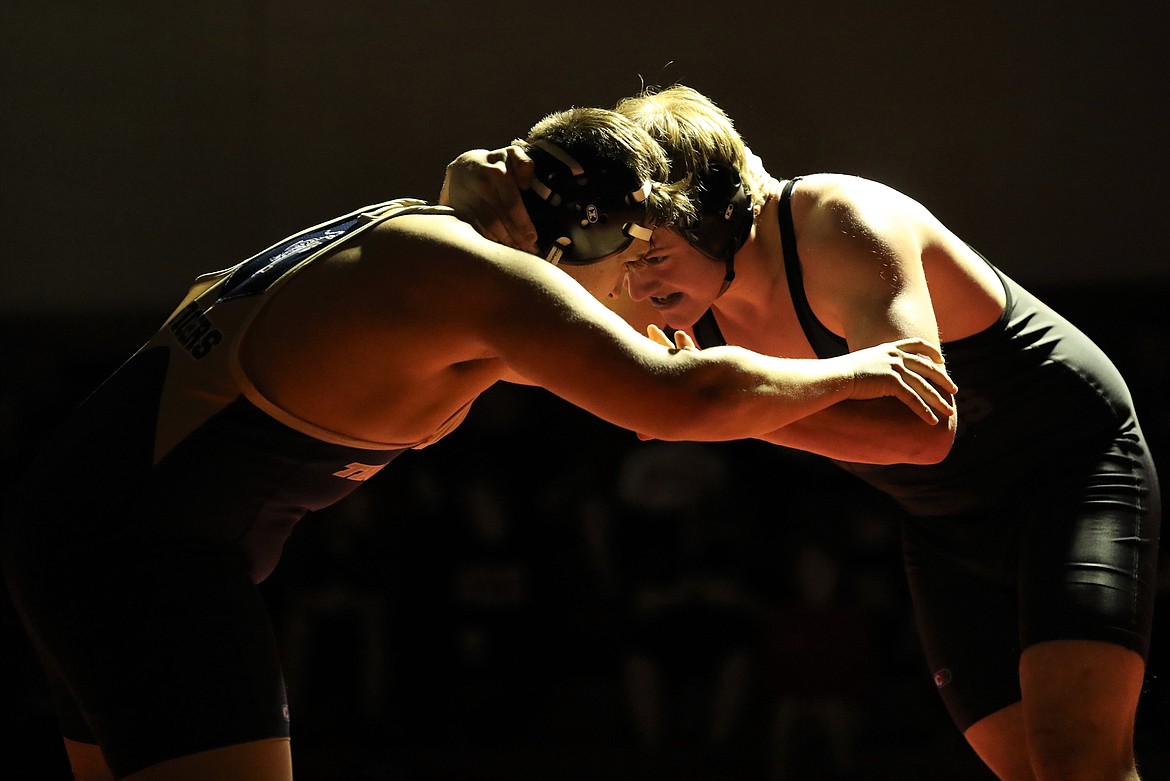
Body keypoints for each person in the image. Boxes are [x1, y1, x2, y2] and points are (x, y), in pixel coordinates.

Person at [0, 106, 956, 781]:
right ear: (592, 244)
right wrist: (863, 369)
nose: (645, 303)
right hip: (145, 559)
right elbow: (670, 400)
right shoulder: (486, 279)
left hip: (96, 527)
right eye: (643, 272)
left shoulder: (421, 237)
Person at [441, 85, 1162, 781]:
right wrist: (471, 225)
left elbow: (922, 431)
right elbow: (520, 349)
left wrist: (729, 406)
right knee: (1026, 769)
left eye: (653, 254)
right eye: (626, 259)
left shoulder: (841, 222)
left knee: (1078, 762)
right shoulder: (667, 293)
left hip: (1068, 470)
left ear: (716, 215)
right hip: (945, 518)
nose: (637, 283)